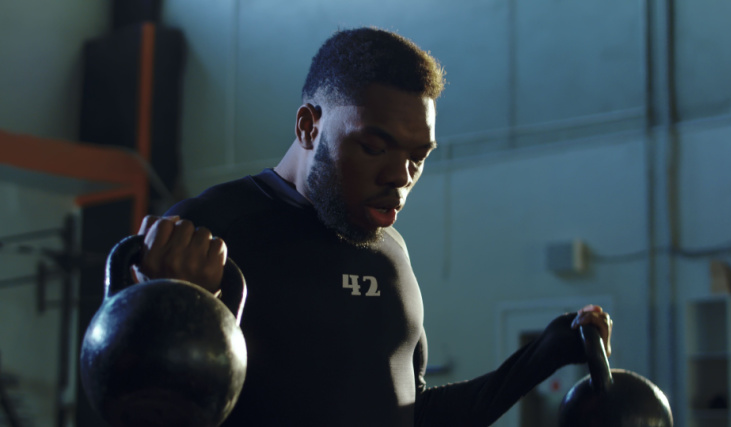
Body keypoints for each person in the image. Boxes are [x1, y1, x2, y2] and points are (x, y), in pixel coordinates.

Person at [135, 27, 613, 426]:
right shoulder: (207, 233)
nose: (399, 177)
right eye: (375, 146)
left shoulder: (390, 256)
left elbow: (413, 416)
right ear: (308, 127)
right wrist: (164, 304)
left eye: (418, 156)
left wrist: (541, 357)